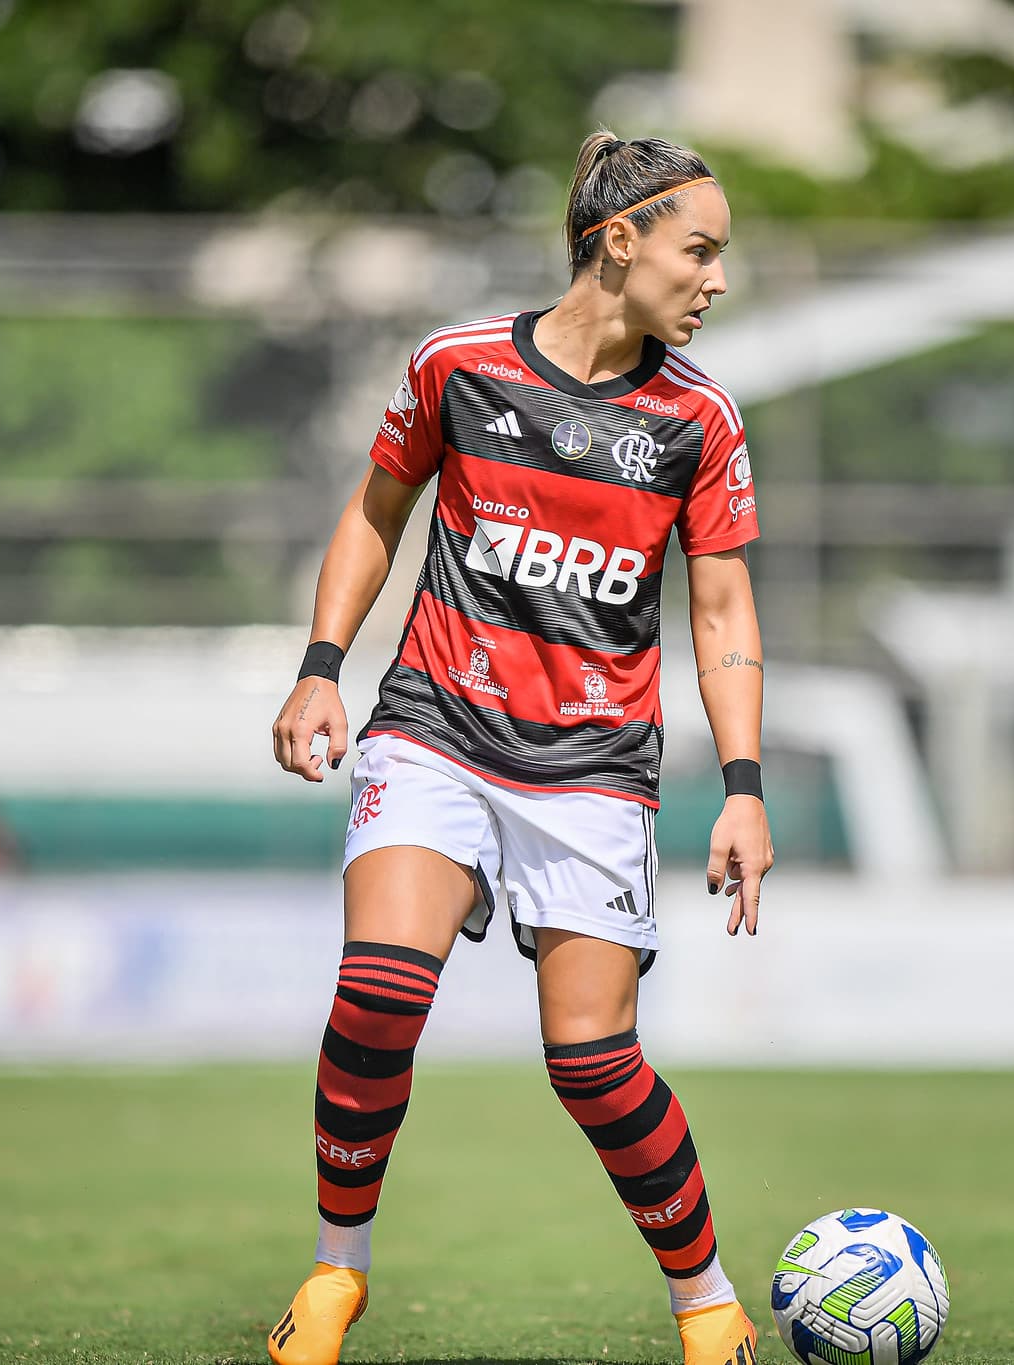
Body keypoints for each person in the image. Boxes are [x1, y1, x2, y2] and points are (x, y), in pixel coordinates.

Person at [267, 130, 772, 1365]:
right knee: (380, 994)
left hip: (593, 767)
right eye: (697, 251)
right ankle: (338, 1275)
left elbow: (719, 613)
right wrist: (321, 671)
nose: (714, 279)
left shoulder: (698, 420)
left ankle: (706, 1304)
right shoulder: (458, 366)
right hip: (434, 725)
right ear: (618, 241)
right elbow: (374, 513)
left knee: (592, 1062)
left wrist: (744, 790)